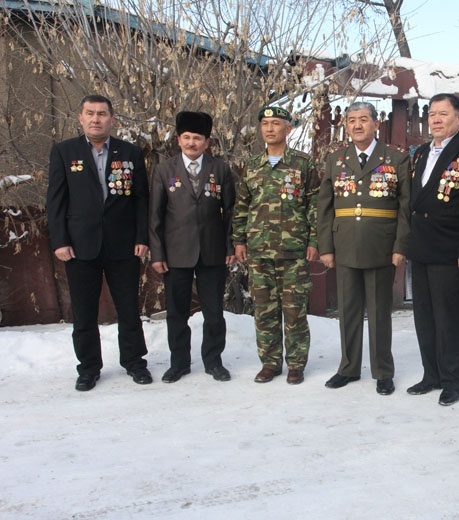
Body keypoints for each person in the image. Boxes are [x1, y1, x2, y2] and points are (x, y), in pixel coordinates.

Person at [47, 94, 151, 391]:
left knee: (129, 309)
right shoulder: (65, 152)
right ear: (80, 118)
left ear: (112, 119)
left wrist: (141, 237)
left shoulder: (130, 152)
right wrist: (59, 241)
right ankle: (89, 368)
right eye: (90, 113)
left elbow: (140, 199)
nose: (96, 119)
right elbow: (55, 201)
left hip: (123, 245)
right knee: (83, 312)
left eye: (102, 114)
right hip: (80, 247)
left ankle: (135, 362)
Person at [318, 101, 410, 395]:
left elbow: (406, 207)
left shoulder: (395, 159)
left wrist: (400, 246)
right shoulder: (336, 160)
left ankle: (383, 370)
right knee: (348, 309)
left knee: (380, 311)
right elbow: (325, 208)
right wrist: (326, 248)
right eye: (351, 120)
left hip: (381, 245)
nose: (357, 125)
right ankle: (348, 368)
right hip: (344, 243)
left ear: (376, 124)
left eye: (363, 120)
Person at [407, 93, 459, 406]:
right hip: (422, 246)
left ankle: (454, 379)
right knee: (424, 316)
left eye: (443, 114)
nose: (435, 120)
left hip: (452, 249)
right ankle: (432, 374)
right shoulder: (422, 152)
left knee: (450, 318)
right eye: (431, 114)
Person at [232, 106, 319, 385]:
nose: (270, 129)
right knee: (264, 311)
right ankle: (269, 362)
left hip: (293, 252)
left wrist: (314, 240)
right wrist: (239, 240)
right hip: (259, 251)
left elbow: (314, 206)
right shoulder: (252, 165)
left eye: (276, 123)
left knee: (295, 311)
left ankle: (295, 364)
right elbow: (242, 206)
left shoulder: (303, 164)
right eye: (265, 124)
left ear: (288, 129)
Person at [149, 111, 236, 383]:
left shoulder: (220, 169)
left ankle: (213, 361)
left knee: (213, 313)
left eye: (197, 138)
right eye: (186, 137)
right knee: (176, 313)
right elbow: (155, 215)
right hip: (176, 254)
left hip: (212, 252)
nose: (191, 143)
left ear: (207, 142)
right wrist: (157, 253)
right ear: (178, 140)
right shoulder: (164, 170)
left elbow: (231, 210)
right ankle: (179, 363)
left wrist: (231, 246)